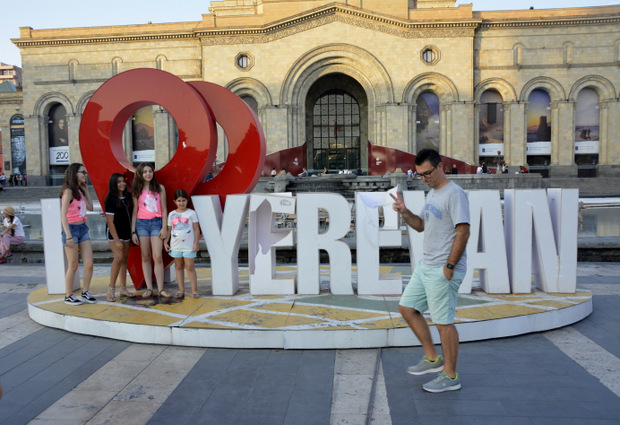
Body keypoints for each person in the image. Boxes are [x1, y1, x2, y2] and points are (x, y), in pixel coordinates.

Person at [390, 148, 470, 393]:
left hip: (443, 269)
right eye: (420, 175)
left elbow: (463, 231)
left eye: (427, 173)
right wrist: (404, 212)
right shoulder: (433, 193)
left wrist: (449, 266)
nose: (424, 178)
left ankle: (450, 375)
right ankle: (432, 358)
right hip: (427, 266)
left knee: (443, 323)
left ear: (440, 166)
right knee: (407, 308)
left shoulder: (454, 194)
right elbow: (421, 226)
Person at [131, 163, 171, 299]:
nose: (148, 174)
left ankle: (160, 289)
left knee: (158, 256)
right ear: (140, 174)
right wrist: (133, 232)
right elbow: (134, 212)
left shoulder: (160, 188)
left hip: (156, 223)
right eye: (145, 171)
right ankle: (149, 288)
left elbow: (164, 209)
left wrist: (164, 227)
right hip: (141, 225)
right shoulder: (137, 189)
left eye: (150, 171)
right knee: (145, 256)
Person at [60, 163, 96, 305]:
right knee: (73, 265)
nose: (85, 175)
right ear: (74, 173)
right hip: (72, 230)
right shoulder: (68, 191)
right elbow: (62, 215)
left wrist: (86, 190)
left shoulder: (78, 191)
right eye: (83, 172)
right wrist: (68, 235)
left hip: (83, 229)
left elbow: (91, 207)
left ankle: (85, 291)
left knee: (89, 263)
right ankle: (68, 295)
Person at [104, 173, 136, 302]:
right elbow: (110, 222)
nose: (122, 184)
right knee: (118, 257)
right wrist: (116, 240)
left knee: (124, 260)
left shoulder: (128, 197)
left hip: (126, 232)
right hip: (114, 234)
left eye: (123, 181)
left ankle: (123, 288)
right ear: (113, 184)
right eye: (118, 182)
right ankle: (111, 290)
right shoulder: (110, 199)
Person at [165, 189, 200, 299]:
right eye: (179, 200)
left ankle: (194, 290)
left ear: (187, 200)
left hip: (189, 246)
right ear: (175, 201)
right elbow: (169, 230)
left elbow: (196, 229)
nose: (181, 203)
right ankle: (181, 290)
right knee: (179, 266)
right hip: (175, 246)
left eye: (183, 200)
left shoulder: (191, 213)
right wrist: (165, 242)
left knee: (190, 267)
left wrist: (196, 243)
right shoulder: (171, 214)